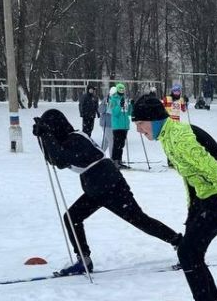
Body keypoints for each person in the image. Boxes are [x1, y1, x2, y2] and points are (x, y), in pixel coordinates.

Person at [131, 93, 217, 301]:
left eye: (140, 124)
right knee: (191, 252)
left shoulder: (181, 138)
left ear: (153, 120)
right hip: (205, 197)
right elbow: (189, 176)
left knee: (187, 252)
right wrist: (192, 208)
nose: (139, 130)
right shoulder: (167, 137)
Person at [32, 108, 181, 274]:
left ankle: (180, 244)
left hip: (109, 184)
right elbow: (52, 158)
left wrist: (46, 135)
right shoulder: (67, 140)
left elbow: (59, 160)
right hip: (97, 186)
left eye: (49, 128)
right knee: (72, 217)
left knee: (139, 219)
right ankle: (84, 260)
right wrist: (42, 137)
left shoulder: (75, 139)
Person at [108, 82, 131, 168]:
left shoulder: (124, 99)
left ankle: (119, 160)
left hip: (124, 125)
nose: (122, 91)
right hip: (117, 125)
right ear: (117, 90)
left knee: (121, 144)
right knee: (117, 144)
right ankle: (115, 161)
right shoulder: (113, 99)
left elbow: (128, 112)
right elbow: (114, 113)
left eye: (123, 89)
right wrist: (120, 106)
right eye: (120, 89)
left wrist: (131, 105)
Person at [98, 86, 114, 156]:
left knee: (106, 142)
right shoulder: (106, 100)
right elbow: (100, 110)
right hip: (106, 123)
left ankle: (98, 156)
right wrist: (106, 108)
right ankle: (113, 158)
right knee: (111, 141)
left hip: (113, 124)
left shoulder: (117, 100)